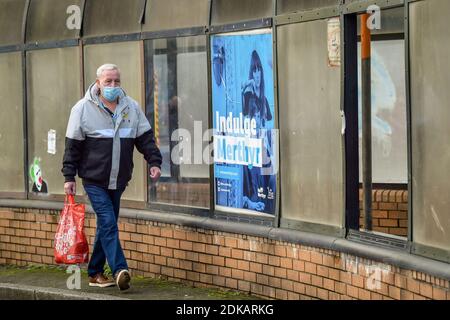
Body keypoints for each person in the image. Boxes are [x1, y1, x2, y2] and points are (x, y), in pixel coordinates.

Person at [61, 64, 162, 291]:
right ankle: (119, 269)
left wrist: (154, 161)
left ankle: (95, 272)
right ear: (98, 83)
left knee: (105, 226)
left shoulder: (130, 107)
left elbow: (145, 138)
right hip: (94, 180)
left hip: (119, 180)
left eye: (117, 81)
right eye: (108, 82)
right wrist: (69, 176)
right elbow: (72, 147)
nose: (113, 86)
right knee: (107, 222)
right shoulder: (82, 109)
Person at [241, 50, 276, 214]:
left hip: (263, 148)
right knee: (256, 185)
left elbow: (268, 118)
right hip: (252, 148)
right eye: (254, 70)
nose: (257, 74)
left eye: (259, 69)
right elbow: (246, 114)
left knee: (268, 183)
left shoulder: (263, 99)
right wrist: (247, 89)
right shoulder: (249, 95)